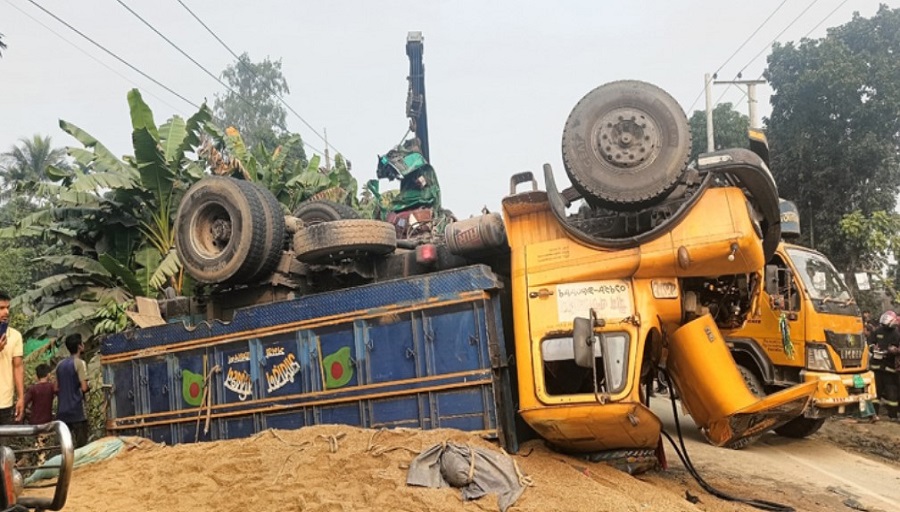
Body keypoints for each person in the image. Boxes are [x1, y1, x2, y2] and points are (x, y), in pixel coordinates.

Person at [55, 334, 89, 447]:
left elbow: (56, 388)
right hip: (77, 410)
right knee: (82, 446)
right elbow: (84, 387)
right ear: (80, 346)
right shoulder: (79, 363)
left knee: (66, 447)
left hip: (62, 411)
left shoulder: (60, 365)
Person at [869, 310, 900, 422]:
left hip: (889, 369)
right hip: (876, 367)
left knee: (892, 393)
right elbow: (870, 343)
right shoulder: (877, 331)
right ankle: (873, 414)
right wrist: (874, 349)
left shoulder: (896, 334)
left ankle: (893, 416)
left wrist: (893, 351)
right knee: (875, 392)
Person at [0, 289, 25, 424]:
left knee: (3, 444)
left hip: (5, 403)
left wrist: (21, 397)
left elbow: (18, 367)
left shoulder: (15, 336)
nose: (6, 312)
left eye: (7, 308)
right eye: (1, 308)